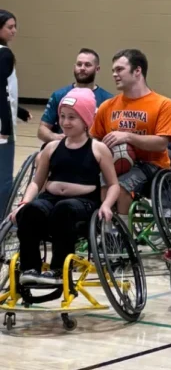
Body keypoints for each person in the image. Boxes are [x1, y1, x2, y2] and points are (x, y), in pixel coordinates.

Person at [10, 88, 119, 285]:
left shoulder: (98, 149)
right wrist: (24, 202)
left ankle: (58, 269)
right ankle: (30, 268)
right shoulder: (51, 147)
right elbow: (36, 181)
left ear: (86, 120)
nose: (65, 122)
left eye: (72, 117)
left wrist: (106, 205)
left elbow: (113, 185)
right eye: (62, 116)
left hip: (82, 204)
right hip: (50, 199)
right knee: (30, 211)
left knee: (64, 210)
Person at [91, 49, 171, 221]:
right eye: (113, 71)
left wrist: (127, 137)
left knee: (122, 187)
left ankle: (121, 235)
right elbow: (95, 138)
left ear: (137, 71)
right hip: (116, 162)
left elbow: (161, 143)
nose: (115, 74)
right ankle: (106, 228)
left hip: (151, 164)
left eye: (120, 69)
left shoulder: (164, 104)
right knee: (102, 184)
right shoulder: (107, 106)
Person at [38, 48, 114, 144]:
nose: (82, 68)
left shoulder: (108, 100)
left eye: (87, 65)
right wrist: (56, 137)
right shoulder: (59, 95)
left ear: (97, 69)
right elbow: (42, 129)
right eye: (79, 64)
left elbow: (110, 133)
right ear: (74, 67)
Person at [0, 10, 19, 213]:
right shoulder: (4, 53)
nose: (14, 31)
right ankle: (2, 220)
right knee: (4, 177)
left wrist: (18, 110)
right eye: (9, 27)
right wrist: (6, 123)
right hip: (2, 127)